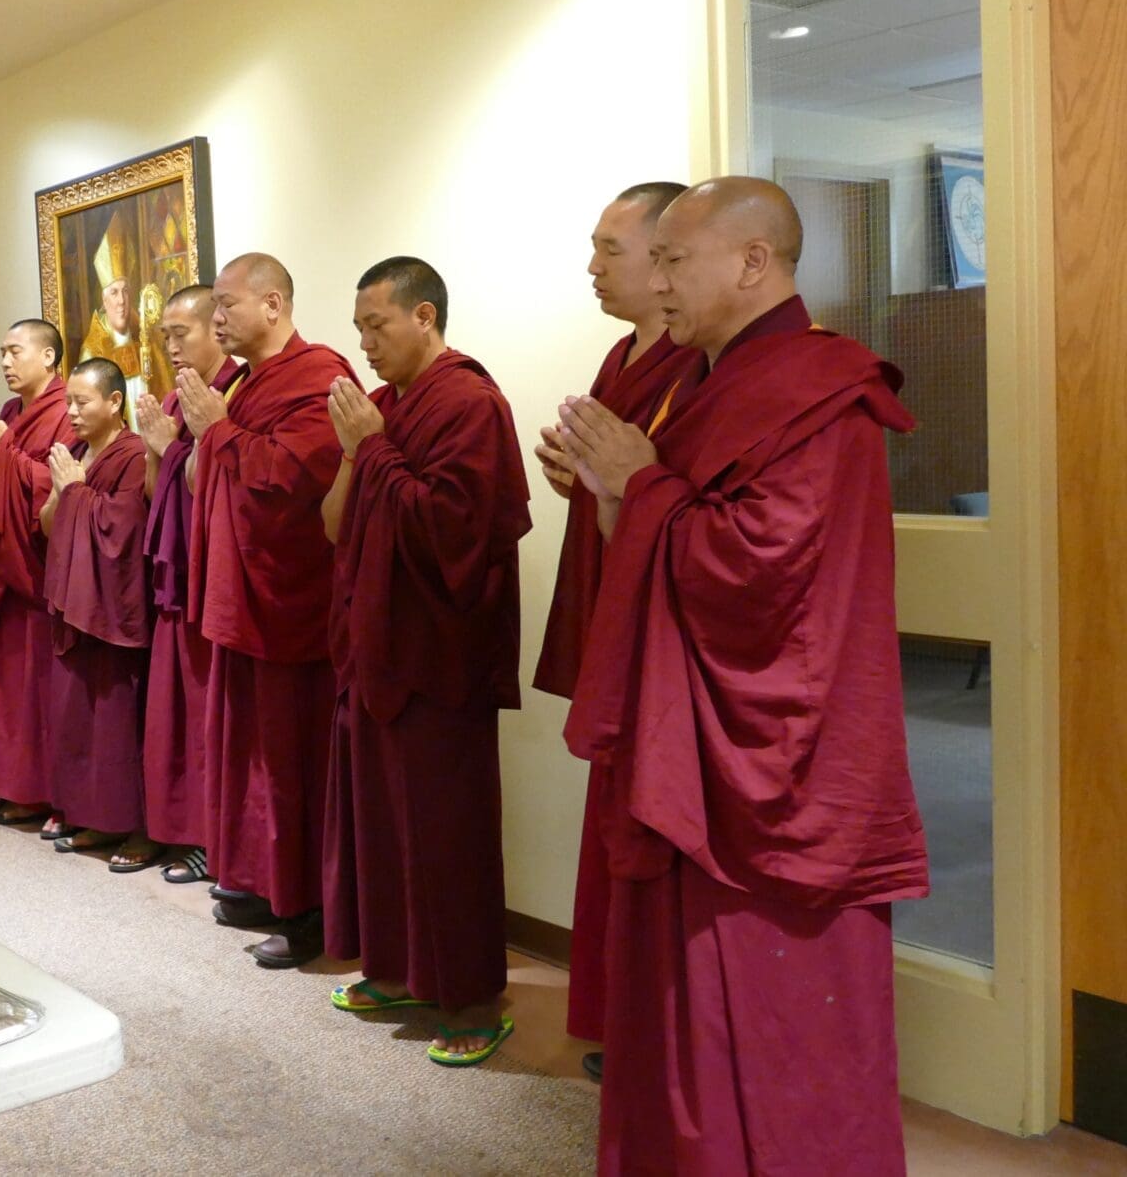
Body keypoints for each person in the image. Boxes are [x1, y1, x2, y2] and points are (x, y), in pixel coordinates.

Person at [558, 177, 927, 1175]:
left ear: (752, 262)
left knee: (771, 1030)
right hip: (695, 745)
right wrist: (615, 496)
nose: (656, 283)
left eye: (673, 261)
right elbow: (669, 538)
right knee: (676, 1013)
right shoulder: (706, 382)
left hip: (779, 760)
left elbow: (756, 572)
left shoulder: (819, 390)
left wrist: (638, 486)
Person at [319, 257, 532, 1067]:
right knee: (386, 824)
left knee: (447, 832)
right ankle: (403, 969)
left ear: (426, 317)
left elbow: (453, 531)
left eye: (377, 324)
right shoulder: (380, 409)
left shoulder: (470, 402)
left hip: (442, 651)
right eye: (359, 325)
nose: (364, 341)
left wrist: (373, 452)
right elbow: (337, 526)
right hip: (379, 645)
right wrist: (353, 454)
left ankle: (475, 996)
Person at [529, 182, 697, 1079]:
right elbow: (616, 486)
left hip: (661, 624)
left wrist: (617, 481)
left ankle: (650, 1017)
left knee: (647, 818)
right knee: (609, 815)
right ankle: (611, 1004)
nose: (593, 266)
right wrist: (577, 474)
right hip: (609, 601)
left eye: (611, 249)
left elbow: (671, 492)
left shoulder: (700, 363)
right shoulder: (619, 354)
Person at [180, 252, 357, 968]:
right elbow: (209, 470)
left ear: (275, 304)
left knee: (290, 762)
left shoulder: (317, 375)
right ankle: (258, 880)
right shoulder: (240, 383)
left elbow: (293, 474)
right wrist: (206, 435)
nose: (216, 318)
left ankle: (308, 907)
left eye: (228, 304)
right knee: (245, 752)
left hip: (289, 596)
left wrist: (217, 430)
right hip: (242, 590)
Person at [134, 285, 243, 884]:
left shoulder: (229, 391)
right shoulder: (178, 397)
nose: (172, 346)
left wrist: (177, 445)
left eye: (183, 333)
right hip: (177, 570)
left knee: (207, 711)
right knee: (177, 710)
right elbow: (157, 490)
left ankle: (212, 837)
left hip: (214, 571)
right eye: (165, 336)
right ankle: (182, 830)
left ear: (215, 327)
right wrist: (160, 448)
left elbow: (217, 486)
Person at [40, 358, 159, 871]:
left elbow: (126, 526)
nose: (71, 412)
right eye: (67, 402)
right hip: (79, 603)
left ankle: (136, 828)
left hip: (115, 607)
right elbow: (48, 524)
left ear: (115, 402)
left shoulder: (132, 455)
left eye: (82, 402)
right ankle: (94, 816)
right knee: (80, 717)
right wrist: (63, 489)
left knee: (117, 719)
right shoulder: (79, 454)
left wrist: (76, 492)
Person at [0, 319, 76, 829]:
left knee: (42, 685)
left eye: (15, 351)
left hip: (40, 567)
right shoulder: (10, 413)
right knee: (13, 681)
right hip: (8, 568)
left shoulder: (65, 410)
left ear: (49, 357)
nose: (6, 363)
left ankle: (52, 793)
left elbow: (60, 482)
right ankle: (16, 784)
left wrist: (4, 453)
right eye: (2, 353)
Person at [77, 213, 150, 417]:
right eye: (114, 292)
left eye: (125, 291)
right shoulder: (93, 351)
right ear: (104, 300)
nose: (121, 301)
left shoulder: (144, 340)